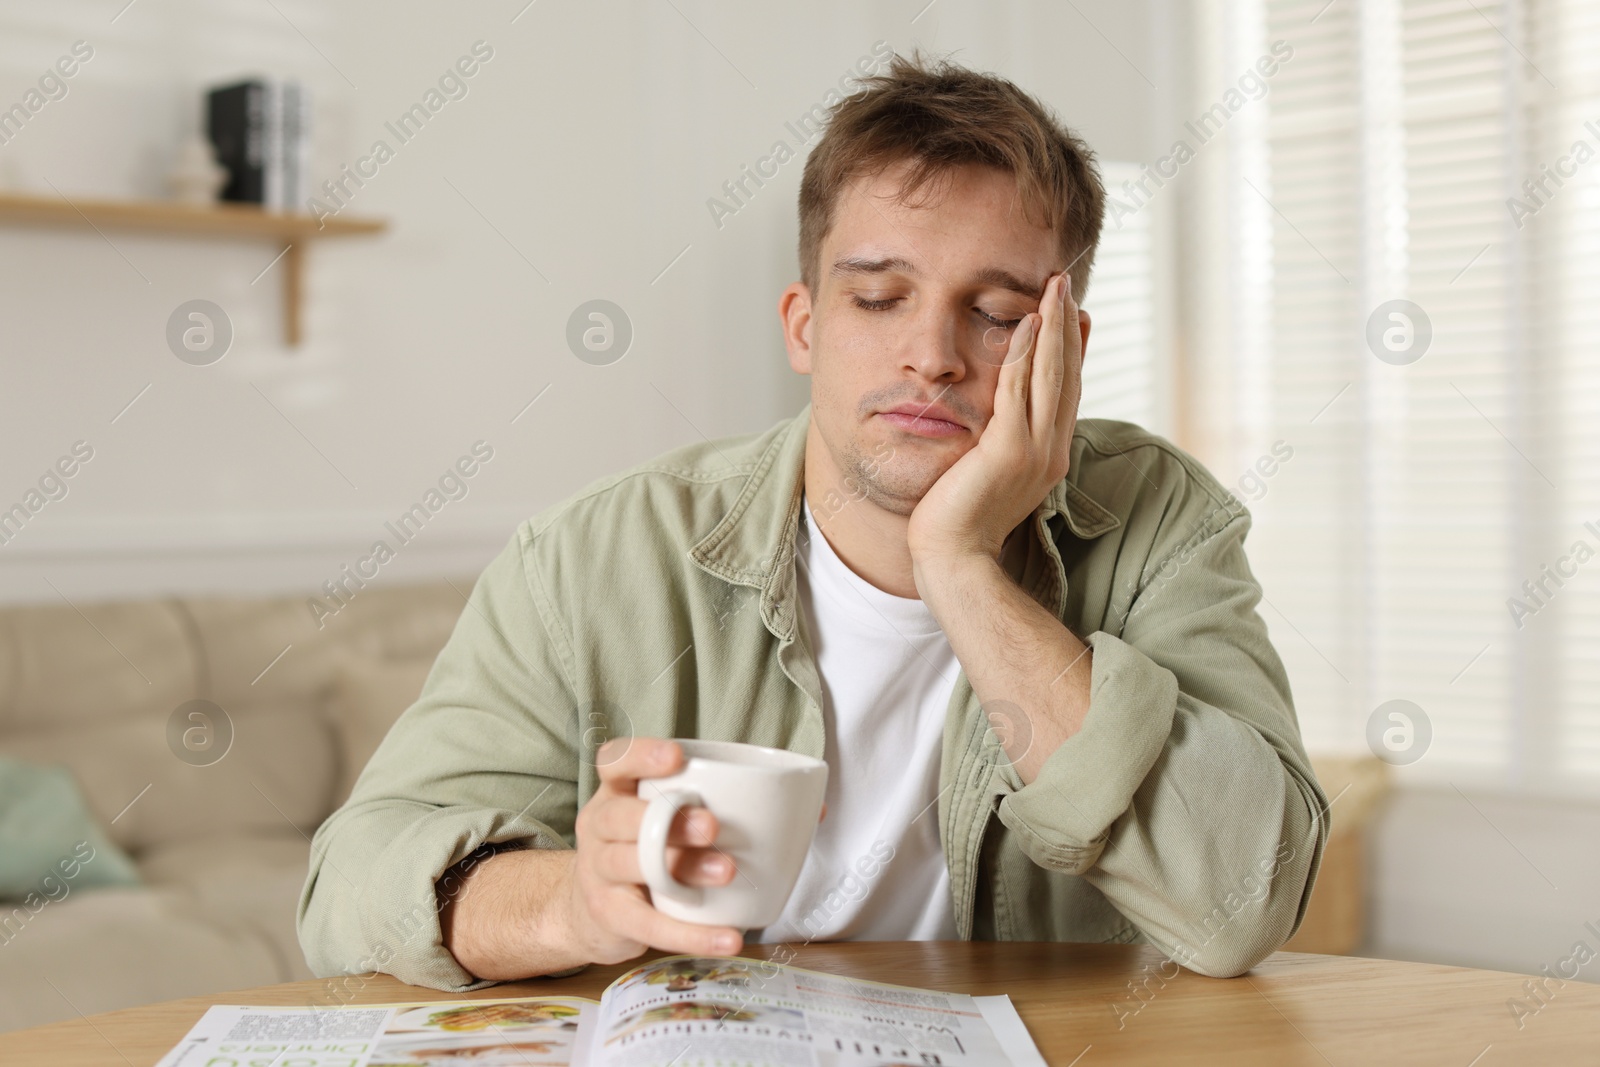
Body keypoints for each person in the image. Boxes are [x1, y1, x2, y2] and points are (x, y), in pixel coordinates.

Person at [297, 50, 1328, 992]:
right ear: (805, 325)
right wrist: (572, 897)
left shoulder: (1158, 520)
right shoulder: (590, 557)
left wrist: (960, 565)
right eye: (879, 296)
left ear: (1064, 347)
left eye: (999, 314)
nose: (931, 353)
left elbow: (1243, 902)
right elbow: (352, 885)